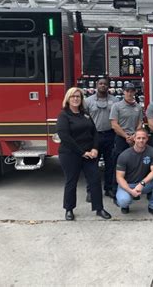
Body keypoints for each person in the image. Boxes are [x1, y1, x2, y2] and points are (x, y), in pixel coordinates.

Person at [56, 87, 112, 221]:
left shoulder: (85, 114)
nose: (76, 99)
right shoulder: (63, 115)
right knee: (71, 182)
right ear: (68, 99)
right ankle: (69, 209)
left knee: (95, 180)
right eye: (73, 96)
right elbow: (65, 137)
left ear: (81, 99)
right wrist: (82, 153)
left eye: (78, 97)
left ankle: (99, 208)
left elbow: (94, 132)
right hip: (70, 154)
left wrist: (95, 148)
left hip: (89, 154)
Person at [115, 129, 153, 217]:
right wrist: (130, 191)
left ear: (147, 139)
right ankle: (125, 205)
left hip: (143, 184)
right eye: (138, 138)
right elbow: (119, 178)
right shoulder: (124, 155)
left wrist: (142, 184)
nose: (141, 140)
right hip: (128, 185)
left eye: (143, 138)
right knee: (123, 201)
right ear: (134, 138)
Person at [84, 77, 118, 200]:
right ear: (96, 85)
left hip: (110, 135)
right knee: (92, 165)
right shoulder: (88, 101)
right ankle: (91, 191)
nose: (103, 85)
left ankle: (108, 189)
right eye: (101, 83)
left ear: (108, 86)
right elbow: (84, 119)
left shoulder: (115, 101)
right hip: (94, 136)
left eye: (105, 84)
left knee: (110, 164)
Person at [109, 82, 144, 177]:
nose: (129, 93)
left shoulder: (138, 107)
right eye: (127, 91)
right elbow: (114, 125)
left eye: (132, 91)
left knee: (134, 163)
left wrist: (134, 136)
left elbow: (140, 123)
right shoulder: (116, 106)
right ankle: (115, 188)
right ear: (123, 92)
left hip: (134, 139)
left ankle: (131, 184)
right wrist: (126, 136)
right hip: (121, 138)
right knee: (119, 164)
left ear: (135, 92)